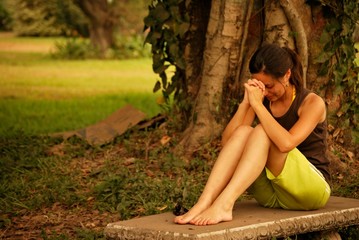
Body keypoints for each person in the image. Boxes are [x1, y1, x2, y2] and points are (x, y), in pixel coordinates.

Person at [174, 43, 331, 226]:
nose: (265, 91)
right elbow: (229, 143)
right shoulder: (262, 100)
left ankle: (225, 204)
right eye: (260, 85)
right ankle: (204, 202)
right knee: (243, 132)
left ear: (287, 75)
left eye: (269, 85)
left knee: (262, 131)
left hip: (310, 190)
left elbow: (286, 143)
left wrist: (257, 105)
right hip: (273, 195)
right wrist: (247, 103)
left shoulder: (312, 103)